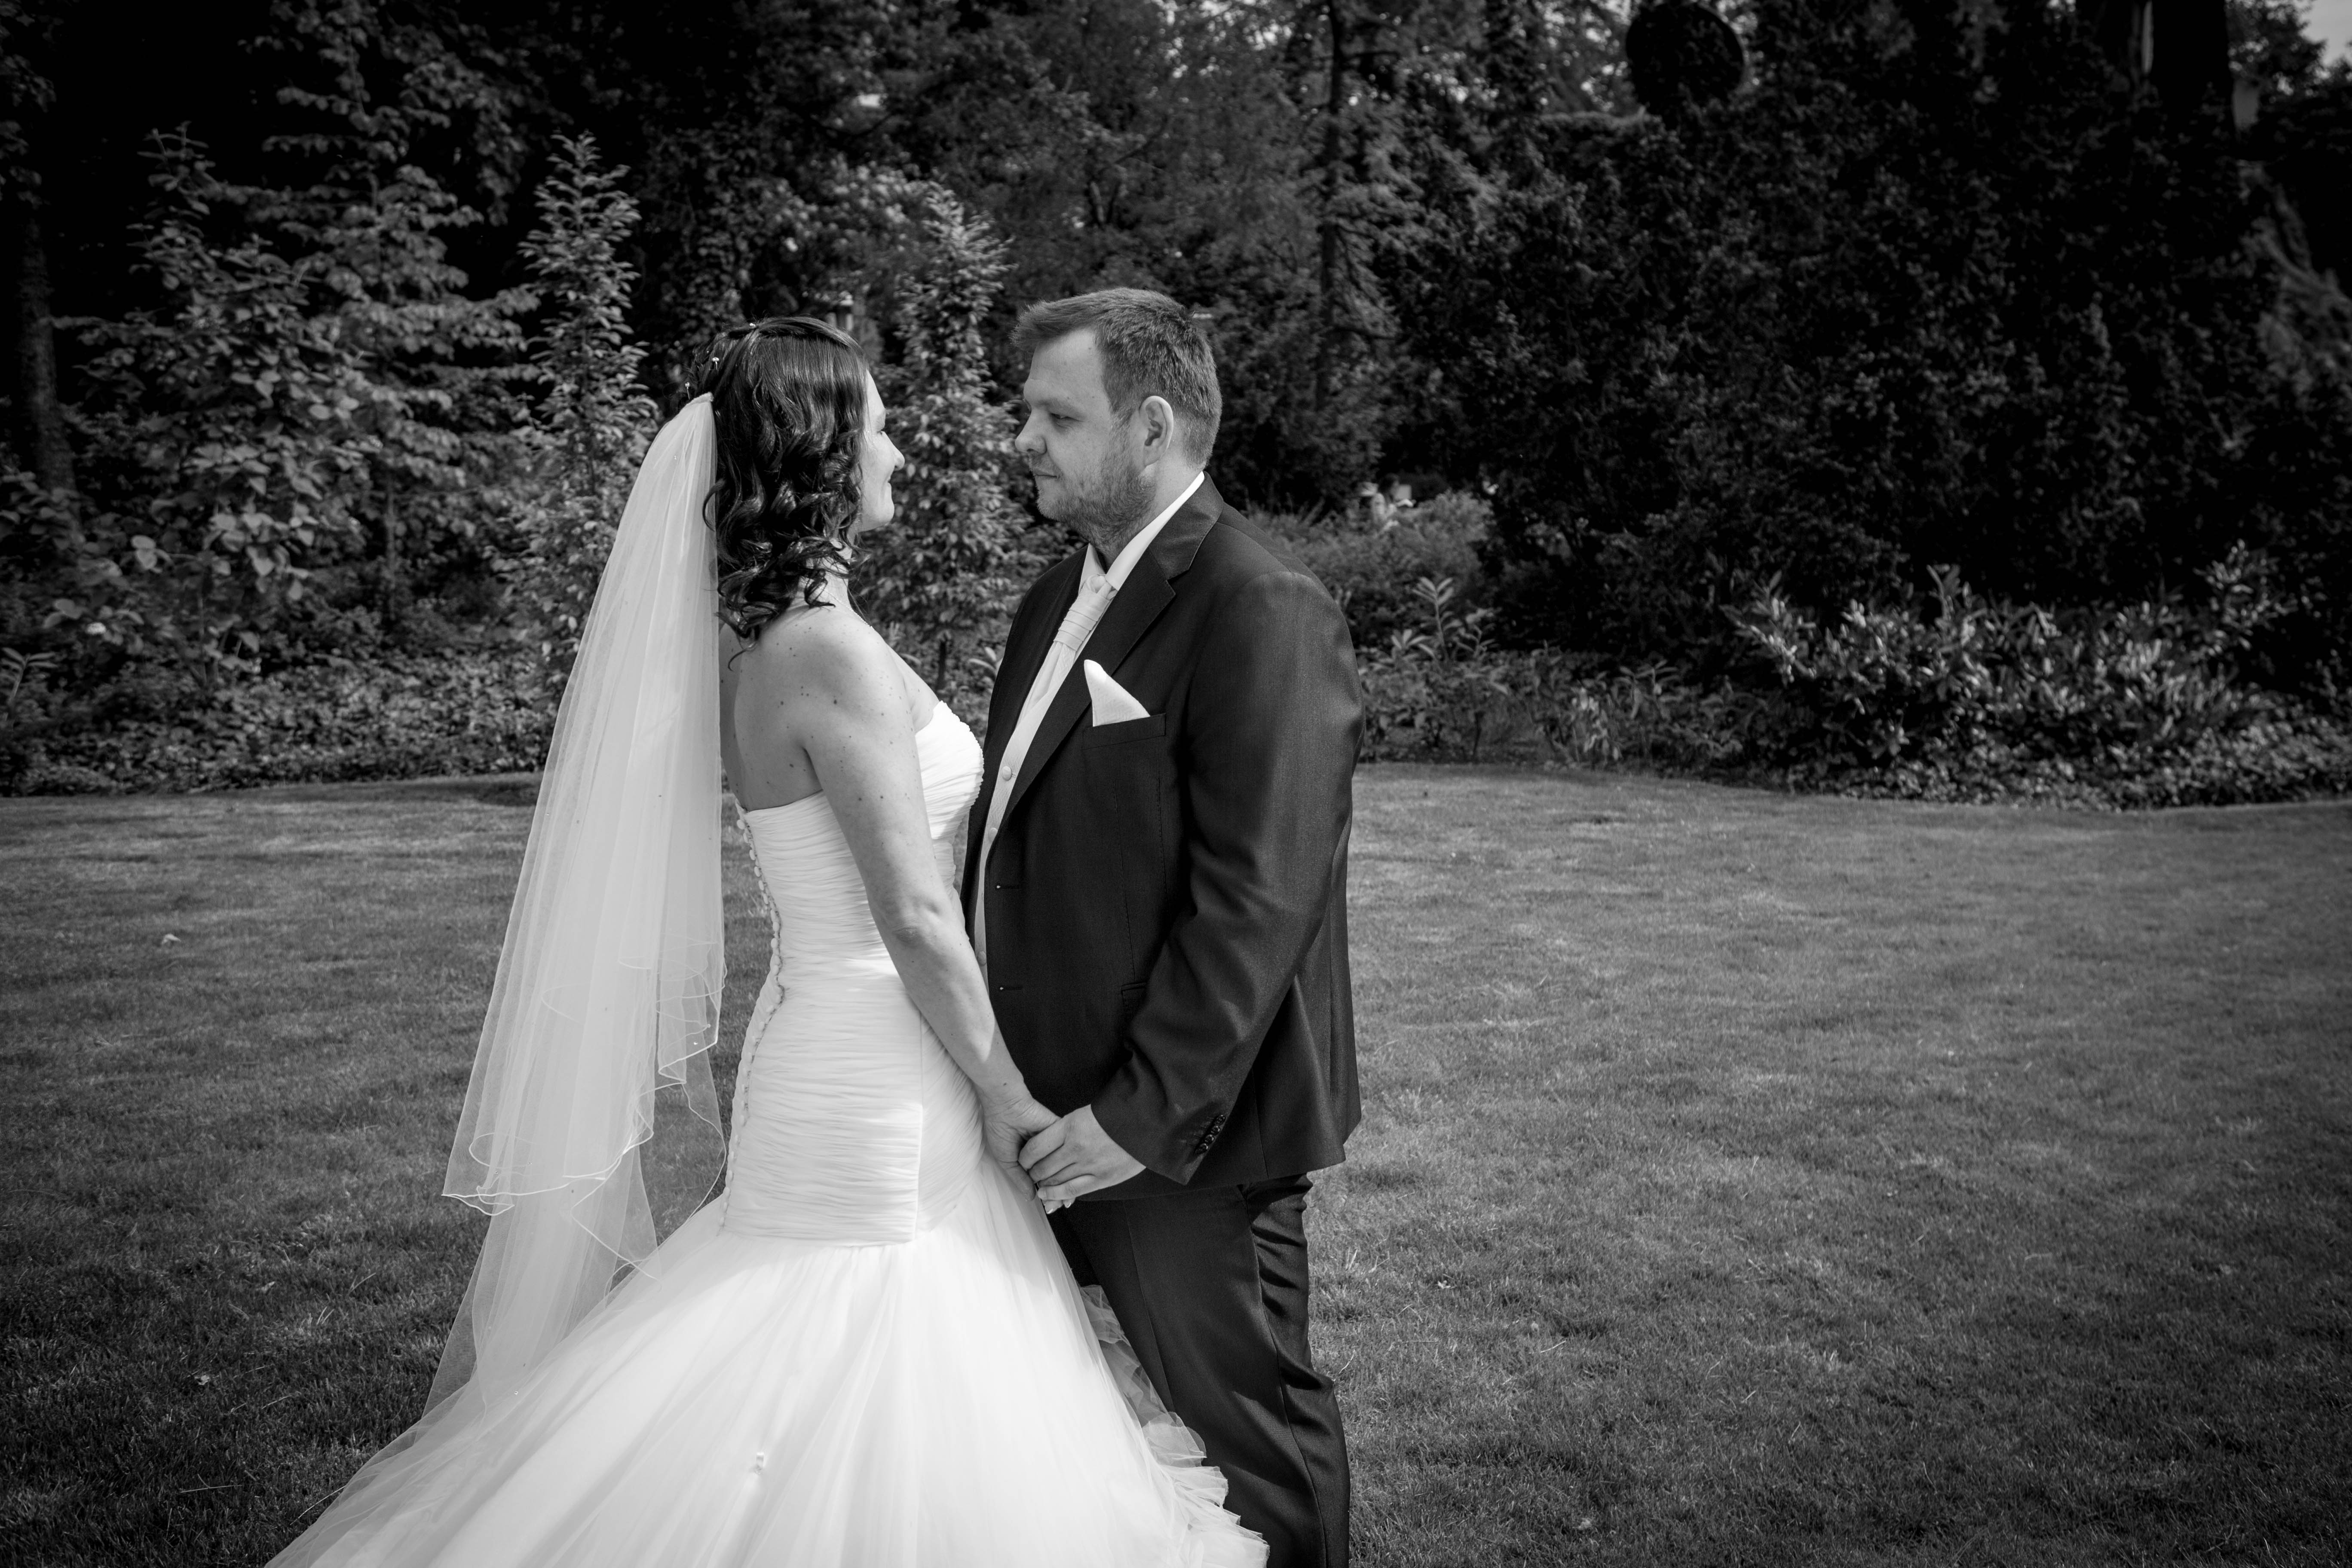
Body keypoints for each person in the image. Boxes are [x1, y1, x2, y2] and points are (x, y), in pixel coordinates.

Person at [266, 317, 1265, 1568]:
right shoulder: (824, 653)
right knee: (850, 1343)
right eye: (878, 429)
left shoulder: (781, 643)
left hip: (856, 1042)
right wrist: (1013, 1102)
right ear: (825, 455)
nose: (898, 451)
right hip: (873, 1061)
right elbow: (913, 917)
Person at [971, 290, 1362, 1568]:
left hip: (1181, 1142)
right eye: (1029, 412)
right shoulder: (1051, 600)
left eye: (1055, 416)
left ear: (1150, 427)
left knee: (1250, 1445)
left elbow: (1260, 900)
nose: (1023, 437)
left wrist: (1135, 1122)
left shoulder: (1262, 604)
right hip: (1036, 1116)